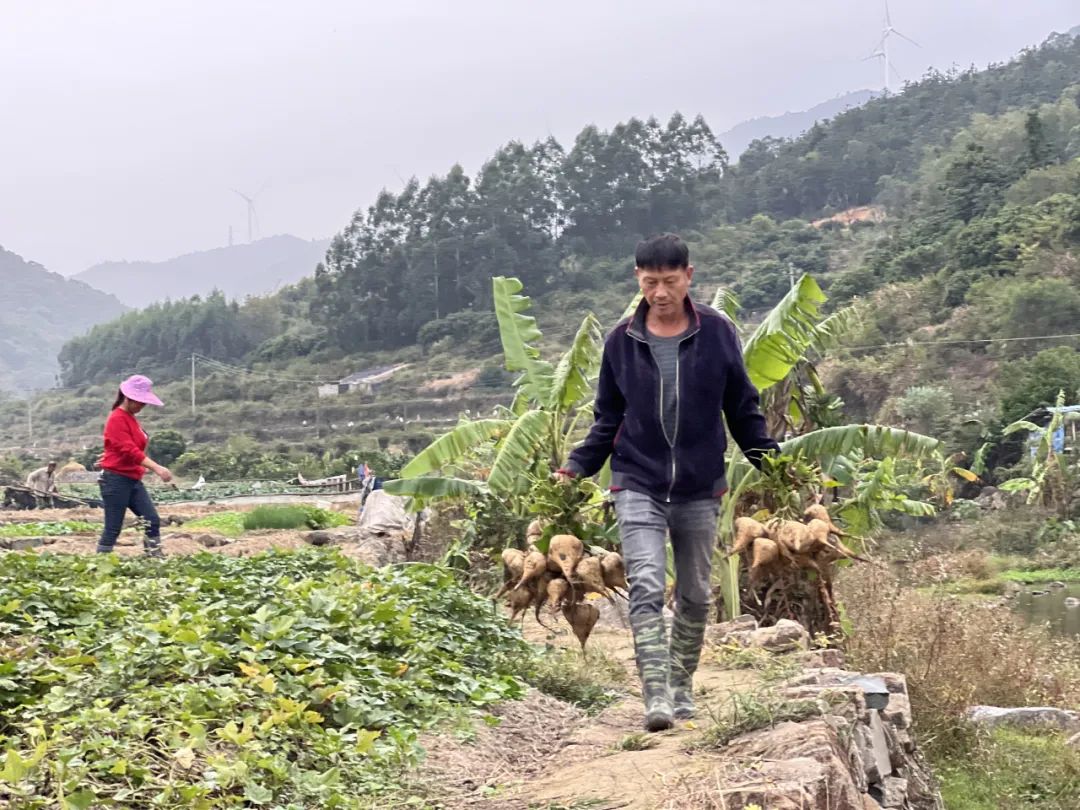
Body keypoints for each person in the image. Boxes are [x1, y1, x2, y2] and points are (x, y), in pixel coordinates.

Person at [557, 234, 779, 732]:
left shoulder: (719, 333)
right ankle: (654, 693)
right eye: (650, 281)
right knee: (648, 586)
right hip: (636, 480)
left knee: (698, 593)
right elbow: (607, 418)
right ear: (638, 278)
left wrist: (773, 463)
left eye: (670, 281)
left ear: (689, 277)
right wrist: (576, 466)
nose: (660, 292)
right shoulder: (621, 341)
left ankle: (681, 683)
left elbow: (742, 409)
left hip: (701, 485)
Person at [95, 375, 173, 557]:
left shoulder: (130, 418)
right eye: (139, 402)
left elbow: (123, 447)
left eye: (144, 403)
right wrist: (157, 468)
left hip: (132, 479)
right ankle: (100, 563)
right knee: (113, 527)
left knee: (151, 520)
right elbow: (129, 450)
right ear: (127, 398)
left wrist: (111, 454)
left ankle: (155, 558)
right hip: (116, 480)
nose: (141, 406)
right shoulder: (117, 418)